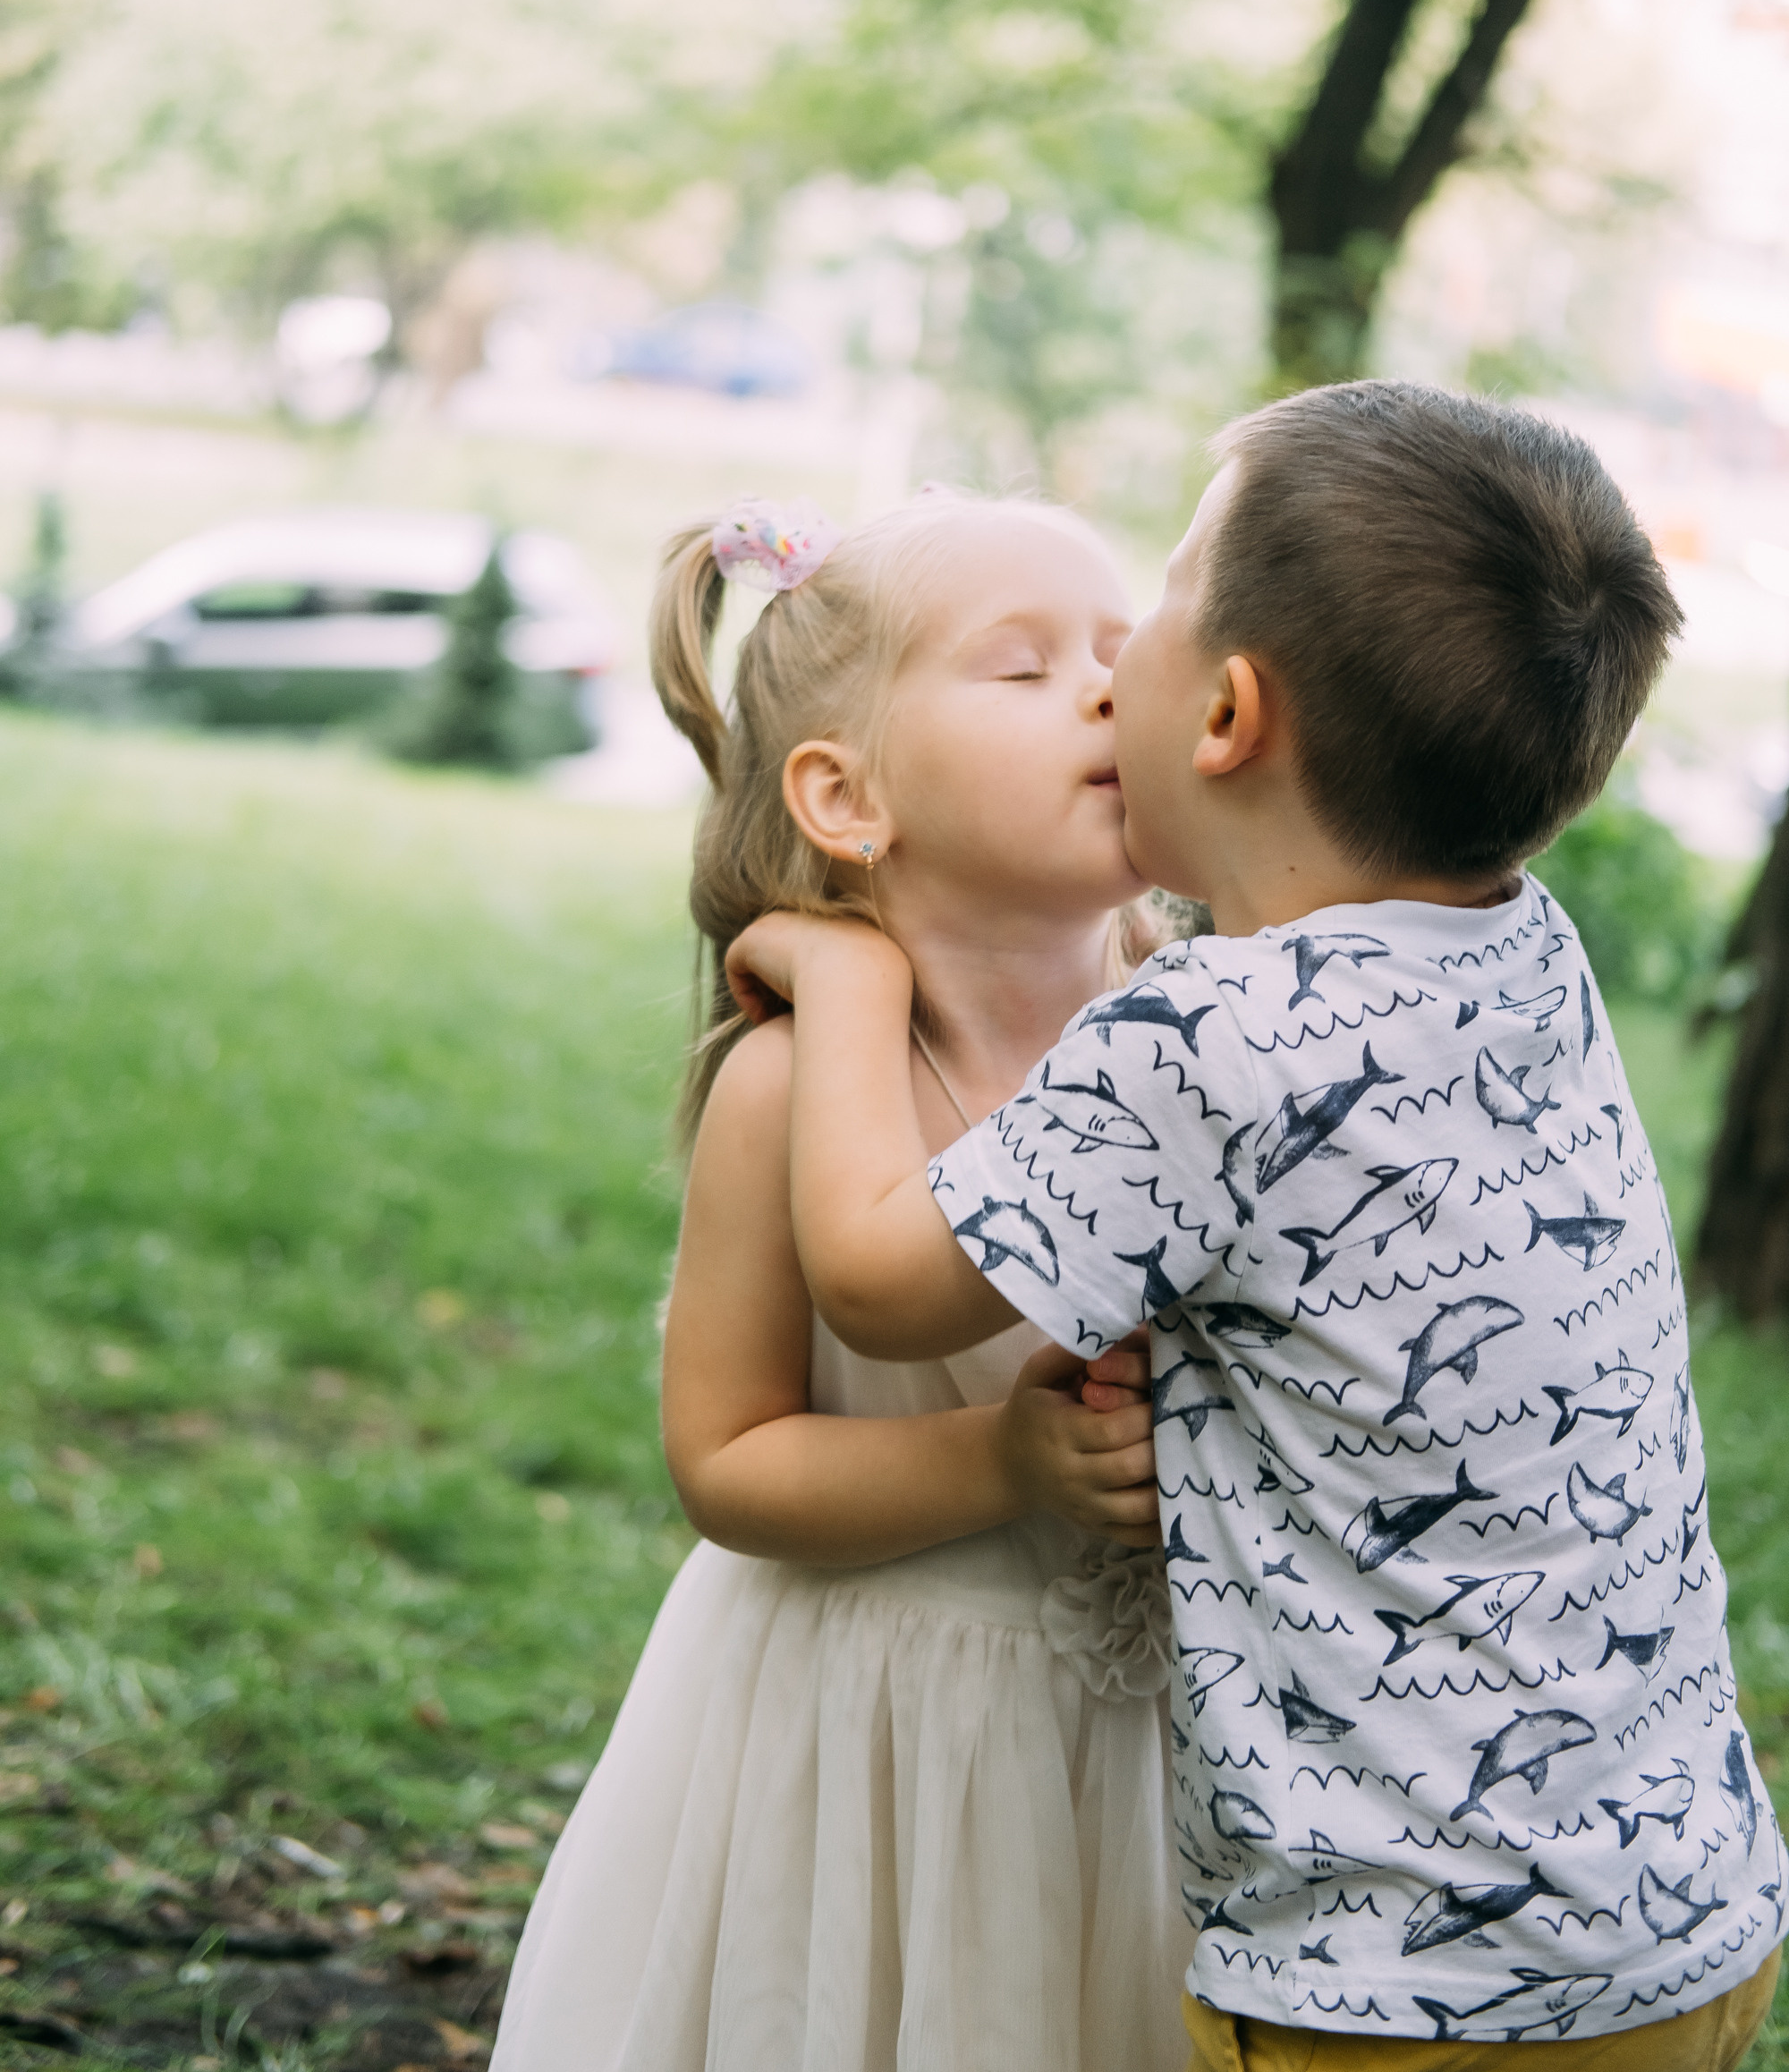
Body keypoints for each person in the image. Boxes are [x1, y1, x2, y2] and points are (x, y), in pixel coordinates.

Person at [730, 385, 1786, 2072]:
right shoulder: (1533, 956)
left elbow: (873, 1274)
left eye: (1144, 609)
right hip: (1686, 1920)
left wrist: (846, 979)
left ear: (1225, 712)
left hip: (1402, 1984)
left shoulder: (1202, 1041)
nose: (1098, 676)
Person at [491, 494, 1198, 2072]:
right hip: (871, 1748)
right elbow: (728, 1459)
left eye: (1118, 652)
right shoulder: (789, 1086)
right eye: (1020, 672)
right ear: (846, 795)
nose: (1103, 690)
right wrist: (1001, 1457)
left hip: (1151, 1754)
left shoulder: (1198, 1035)